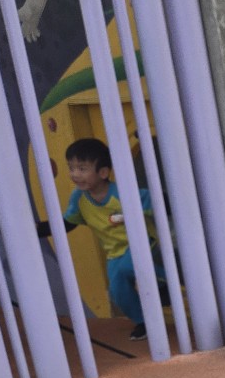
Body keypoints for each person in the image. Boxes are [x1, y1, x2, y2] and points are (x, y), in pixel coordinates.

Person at [53, 138, 160, 340]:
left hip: (143, 243)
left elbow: (153, 200)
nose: (75, 174)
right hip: (114, 252)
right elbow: (68, 223)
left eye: (82, 168)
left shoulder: (121, 193)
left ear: (103, 172)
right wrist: (38, 229)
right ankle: (144, 322)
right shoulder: (79, 198)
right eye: (71, 168)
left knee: (129, 269)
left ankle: (163, 286)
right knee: (117, 290)